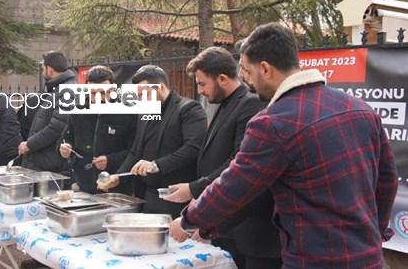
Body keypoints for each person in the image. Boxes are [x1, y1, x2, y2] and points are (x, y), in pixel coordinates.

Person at [171, 23, 398, 268]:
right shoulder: (360, 108)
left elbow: (234, 186)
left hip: (315, 260)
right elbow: (387, 182)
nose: (249, 81)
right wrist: (375, 232)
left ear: (265, 69)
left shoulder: (273, 122)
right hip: (369, 258)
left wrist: (188, 220)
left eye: (248, 71)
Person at [164, 47, 280, 268]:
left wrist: (195, 189)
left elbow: (238, 163)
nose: (200, 91)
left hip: (251, 231)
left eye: (202, 83)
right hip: (227, 224)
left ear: (222, 79)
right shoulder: (226, 104)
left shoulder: (250, 104)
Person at [98, 65, 207, 218]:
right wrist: (118, 176)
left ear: (161, 87)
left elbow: (193, 148)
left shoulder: (188, 109)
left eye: (145, 94)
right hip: (148, 195)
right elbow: (136, 151)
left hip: (176, 194)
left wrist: (156, 165)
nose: (142, 100)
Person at [59, 66, 137, 194]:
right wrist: (65, 148)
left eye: (103, 92)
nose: (99, 98)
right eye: (93, 93)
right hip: (84, 182)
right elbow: (67, 139)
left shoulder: (126, 113)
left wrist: (110, 160)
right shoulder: (78, 111)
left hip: (116, 185)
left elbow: (134, 150)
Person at [19, 51, 76, 173]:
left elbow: (57, 127)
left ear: (49, 69)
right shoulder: (58, 89)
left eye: (43, 68)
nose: (42, 71)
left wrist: (29, 144)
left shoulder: (66, 91)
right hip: (45, 158)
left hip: (50, 161)